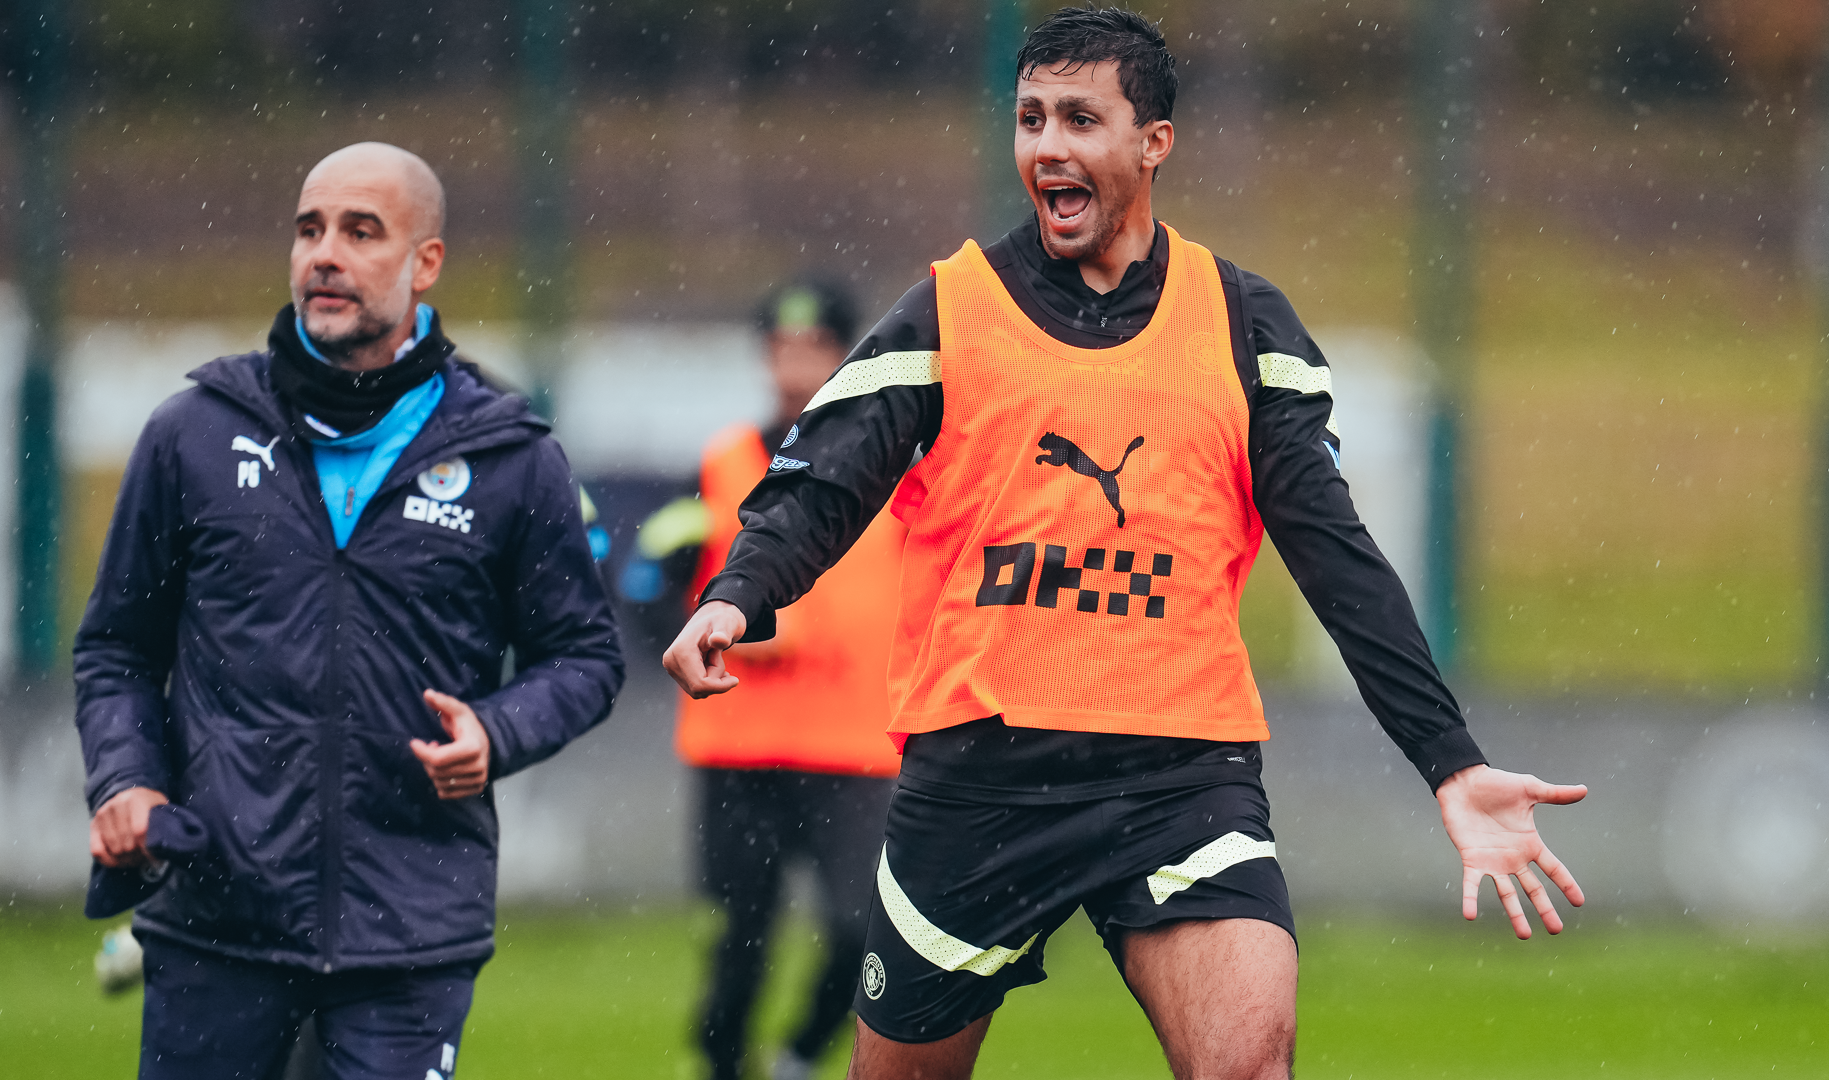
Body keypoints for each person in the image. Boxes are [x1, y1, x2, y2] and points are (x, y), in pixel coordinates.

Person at [664, 9, 1587, 1080]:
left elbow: (1335, 553)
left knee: (1247, 1062)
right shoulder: (949, 311)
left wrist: (1450, 762)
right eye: (1030, 119)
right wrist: (741, 591)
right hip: (979, 781)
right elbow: (822, 481)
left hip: (1179, 776)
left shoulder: (1245, 325)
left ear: (1154, 141)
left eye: (1081, 119)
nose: (1048, 146)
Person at [75, 141, 624, 1080]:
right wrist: (125, 780)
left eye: (361, 232)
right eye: (309, 229)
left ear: (426, 263)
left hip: (411, 931)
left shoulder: (511, 457)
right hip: (216, 918)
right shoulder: (192, 434)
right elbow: (117, 650)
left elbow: (585, 658)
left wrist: (495, 732)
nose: (324, 253)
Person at [629, 282, 904, 1080]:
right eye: (783, 348)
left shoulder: (895, 464)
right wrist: (696, 635)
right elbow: (646, 577)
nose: (795, 364)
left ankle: (797, 1057)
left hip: (854, 750)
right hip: (738, 747)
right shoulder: (719, 467)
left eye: (814, 347)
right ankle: (721, 1066)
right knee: (736, 939)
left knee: (864, 931)